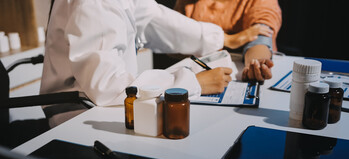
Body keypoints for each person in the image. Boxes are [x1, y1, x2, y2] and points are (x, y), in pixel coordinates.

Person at [41, 0, 258, 127]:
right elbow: (107, 86)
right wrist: (192, 83)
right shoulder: (94, 2)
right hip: (79, 121)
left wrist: (219, 39)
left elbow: (154, 19)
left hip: (107, 107)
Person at [174, 0, 282, 82]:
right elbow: (175, 40)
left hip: (236, 79)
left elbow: (260, 37)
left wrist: (256, 63)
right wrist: (231, 40)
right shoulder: (187, 3)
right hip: (196, 77)